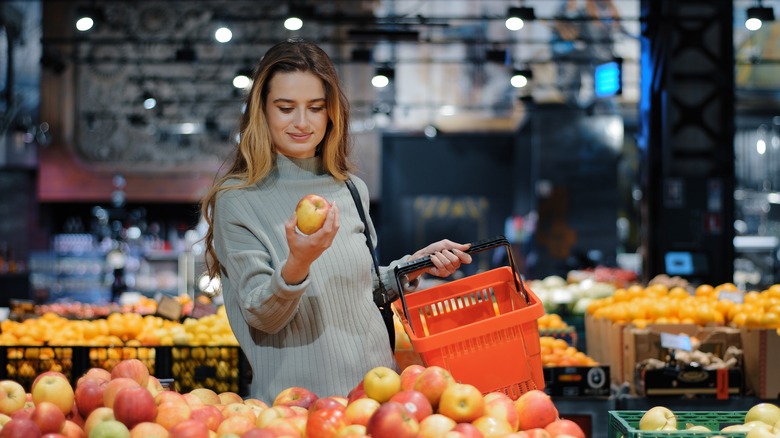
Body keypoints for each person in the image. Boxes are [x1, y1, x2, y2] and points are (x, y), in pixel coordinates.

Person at [200, 39, 473, 404]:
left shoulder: (350, 188)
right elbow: (261, 316)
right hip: (297, 412)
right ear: (261, 112)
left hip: (377, 402)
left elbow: (360, 290)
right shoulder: (237, 199)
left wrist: (413, 265)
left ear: (331, 113)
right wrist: (299, 261)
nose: (302, 122)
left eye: (315, 107)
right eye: (285, 108)